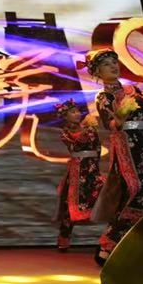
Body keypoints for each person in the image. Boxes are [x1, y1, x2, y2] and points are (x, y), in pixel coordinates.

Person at [86, 48, 143, 265]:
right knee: (136, 193)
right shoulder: (103, 97)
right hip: (128, 149)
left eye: (114, 62)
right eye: (106, 64)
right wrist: (120, 117)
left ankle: (121, 248)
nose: (113, 66)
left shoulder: (133, 90)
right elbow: (111, 125)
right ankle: (108, 245)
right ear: (97, 72)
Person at [53, 98, 104, 252]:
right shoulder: (65, 133)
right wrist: (88, 130)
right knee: (70, 205)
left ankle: (111, 238)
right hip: (76, 172)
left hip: (92, 169)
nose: (77, 114)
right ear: (65, 116)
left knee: (102, 197)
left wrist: (95, 166)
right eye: (73, 112)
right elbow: (75, 146)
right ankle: (64, 238)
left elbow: (98, 148)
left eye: (78, 111)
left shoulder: (90, 129)